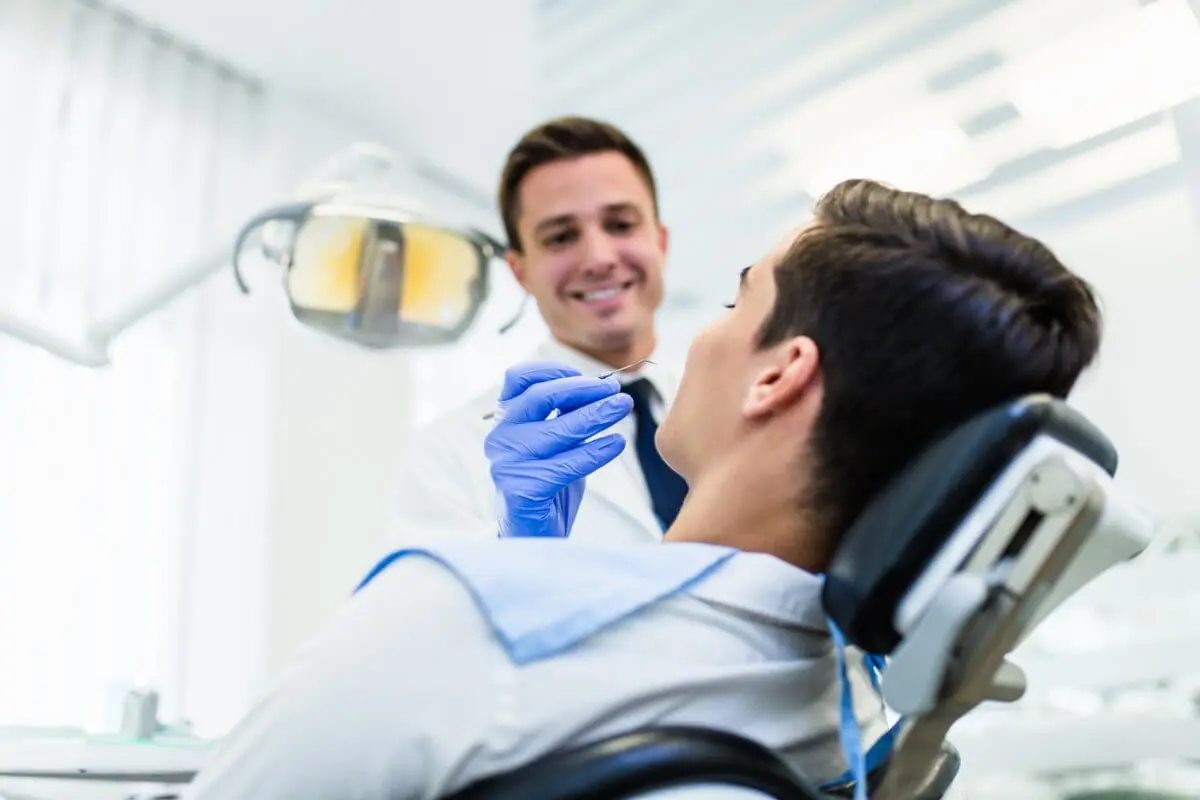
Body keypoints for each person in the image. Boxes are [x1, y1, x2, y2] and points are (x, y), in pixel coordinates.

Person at [183, 179, 1102, 800]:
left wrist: (506, 589)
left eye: (738, 301)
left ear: (777, 377)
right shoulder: (849, 720)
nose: (702, 334)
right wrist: (533, 561)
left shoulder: (454, 618)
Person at [386, 116, 685, 547]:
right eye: (561, 237)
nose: (598, 258)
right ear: (519, 271)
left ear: (660, 242)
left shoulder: (740, 406)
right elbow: (432, 610)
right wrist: (517, 545)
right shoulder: (450, 454)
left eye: (621, 224)